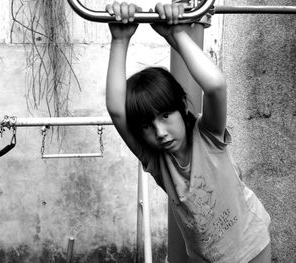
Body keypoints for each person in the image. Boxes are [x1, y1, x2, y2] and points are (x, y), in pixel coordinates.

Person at [105, 2, 271, 262]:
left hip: (252, 244)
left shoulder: (208, 135)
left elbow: (215, 85)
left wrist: (176, 34)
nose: (160, 132)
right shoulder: (157, 161)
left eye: (165, 116)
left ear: (181, 108)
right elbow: (116, 111)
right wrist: (119, 39)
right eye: (147, 126)